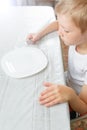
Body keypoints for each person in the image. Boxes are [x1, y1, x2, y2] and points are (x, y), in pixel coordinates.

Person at [26, 0, 87, 119]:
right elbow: (59, 23)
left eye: (66, 30)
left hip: (77, 99)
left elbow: (84, 108)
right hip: (69, 82)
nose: (59, 32)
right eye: (61, 27)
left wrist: (70, 95)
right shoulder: (78, 38)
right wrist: (39, 34)